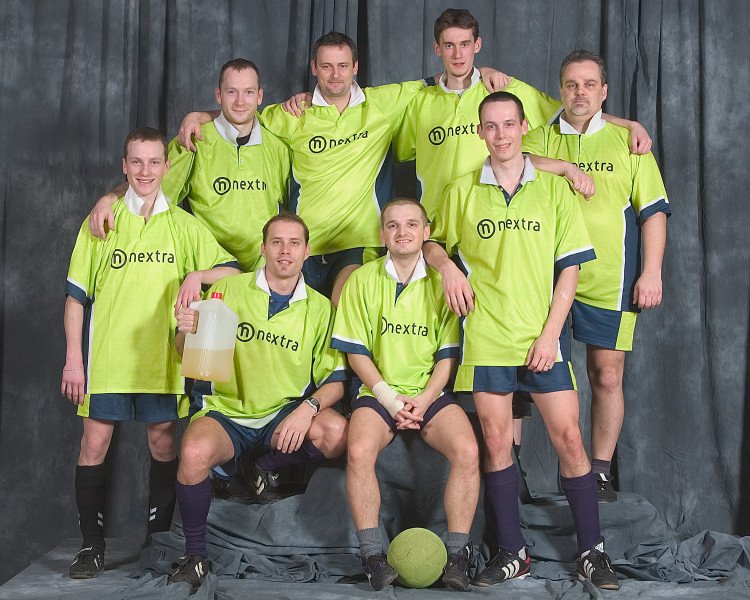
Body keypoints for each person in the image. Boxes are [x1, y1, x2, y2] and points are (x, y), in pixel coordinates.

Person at [424, 93, 619, 590]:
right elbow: (431, 241)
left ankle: (592, 552)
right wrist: (446, 266)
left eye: (509, 124)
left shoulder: (553, 190)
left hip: (541, 337)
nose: (501, 134)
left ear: (523, 126)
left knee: (569, 439)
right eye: (491, 126)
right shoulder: (462, 190)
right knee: (495, 443)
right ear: (480, 132)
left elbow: (570, 269)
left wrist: (551, 334)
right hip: (486, 337)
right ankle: (513, 552)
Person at [177, 33, 507, 305]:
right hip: (304, 244)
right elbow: (243, 112)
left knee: (344, 307)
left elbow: (443, 78)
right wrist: (199, 116)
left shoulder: (382, 103)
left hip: (357, 242)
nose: (335, 74)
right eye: (327, 66)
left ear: (355, 67)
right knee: (295, 321)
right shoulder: (294, 114)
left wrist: (484, 70)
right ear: (314, 69)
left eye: (343, 66)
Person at [61, 127, 241, 579]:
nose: (145, 171)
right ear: (124, 166)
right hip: (106, 361)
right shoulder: (102, 222)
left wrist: (198, 275)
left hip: (162, 363)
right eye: (136, 162)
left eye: (154, 162)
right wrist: (73, 360)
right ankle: (91, 546)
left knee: (163, 445)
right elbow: (76, 297)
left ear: (166, 166)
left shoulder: (183, 225)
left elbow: (234, 272)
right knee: (93, 445)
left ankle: (156, 542)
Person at [168, 213, 348, 590]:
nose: (285, 251)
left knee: (337, 432)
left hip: (280, 415)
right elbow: (191, 354)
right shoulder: (229, 289)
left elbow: (335, 379)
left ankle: (261, 465)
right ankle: (195, 555)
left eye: (294, 243)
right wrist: (184, 333)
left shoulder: (319, 309)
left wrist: (307, 409)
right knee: (193, 454)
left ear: (307, 251)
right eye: (276, 242)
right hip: (226, 413)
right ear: (263, 248)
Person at [522, 50, 670, 502]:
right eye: (571, 84)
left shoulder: (629, 143)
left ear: (604, 91)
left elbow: (653, 212)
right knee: (531, 371)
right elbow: (508, 159)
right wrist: (565, 167)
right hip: (545, 280)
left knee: (606, 375)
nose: (580, 92)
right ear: (560, 90)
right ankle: (519, 472)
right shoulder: (541, 137)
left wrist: (652, 272)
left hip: (612, 278)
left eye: (589, 84)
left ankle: (600, 473)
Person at [332, 198, 480, 591]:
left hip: (429, 393)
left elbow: (447, 355)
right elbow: (356, 352)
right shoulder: (361, 280)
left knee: (468, 450)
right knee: (358, 450)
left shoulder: (441, 284)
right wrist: (389, 399)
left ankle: (458, 556)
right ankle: (372, 556)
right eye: (393, 225)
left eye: (412, 224)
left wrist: (426, 399)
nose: (402, 231)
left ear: (426, 233)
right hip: (378, 392)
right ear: (382, 234)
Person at [88, 59, 291, 273]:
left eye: (248, 92)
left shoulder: (278, 147)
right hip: (208, 271)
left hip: (262, 274)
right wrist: (107, 200)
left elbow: (298, 208)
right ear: (218, 95)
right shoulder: (193, 140)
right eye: (231, 92)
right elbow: (146, 184)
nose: (240, 101)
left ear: (259, 96)